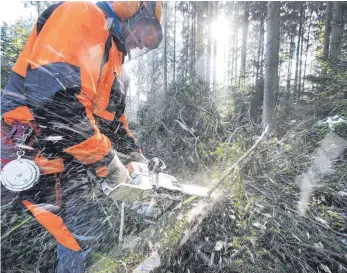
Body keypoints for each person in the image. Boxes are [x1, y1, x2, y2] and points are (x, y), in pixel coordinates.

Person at [0, 1, 163, 272]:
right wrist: (109, 163)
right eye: (146, 33)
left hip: (65, 157)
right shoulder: (83, 16)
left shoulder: (112, 54)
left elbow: (112, 122)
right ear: (133, 8)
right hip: (32, 152)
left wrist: (135, 155)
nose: (143, 44)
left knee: (93, 234)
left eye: (150, 41)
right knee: (84, 241)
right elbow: (58, 109)